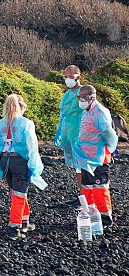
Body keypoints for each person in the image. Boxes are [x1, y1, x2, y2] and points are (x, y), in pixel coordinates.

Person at [0, 94, 47, 239]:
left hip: (4, 160)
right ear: (22, 107)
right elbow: (32, 147)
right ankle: (14, 226)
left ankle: (24, 221)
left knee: (16, 191)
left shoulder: (0, 124)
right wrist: (33, 166)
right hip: (19, 161)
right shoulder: (26, 123)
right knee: (20, 193)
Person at [73, 85, 118, 227]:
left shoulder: (99, 112)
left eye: (83, 97)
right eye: (79, 97)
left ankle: (104, 216)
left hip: (98, 157)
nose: (80, 100)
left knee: (99, 187)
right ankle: (90, 213)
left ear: (92, 97)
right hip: (86, 157)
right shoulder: (87, 111)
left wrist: (110, 149)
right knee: (87, 186)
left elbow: (109, 134)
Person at [54, 65, 84, 203]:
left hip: (81, 134)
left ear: (78, 77)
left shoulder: (83, 92)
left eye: (71, 76)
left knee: (83, 166)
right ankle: (82, 195)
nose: (67, 79)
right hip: (69, 133)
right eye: (65, 77)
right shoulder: (66, 95)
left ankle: (87, 196)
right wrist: (59, 131)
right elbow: (63, 114)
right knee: (77, 167)